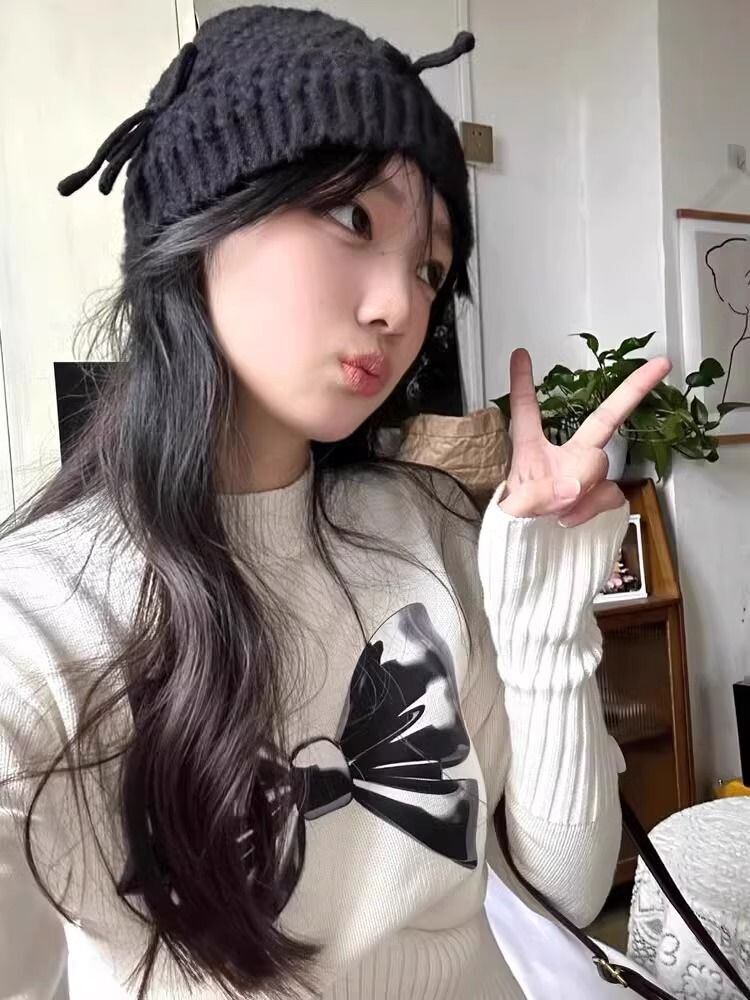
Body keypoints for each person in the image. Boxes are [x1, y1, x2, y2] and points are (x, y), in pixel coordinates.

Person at [0, 6, 671, 999]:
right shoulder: (41, 618)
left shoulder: (432, 535)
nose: (401, 306)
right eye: (354, 219)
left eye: (431, 268)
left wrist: (544, 627)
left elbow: (567, 891)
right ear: (203, 213)